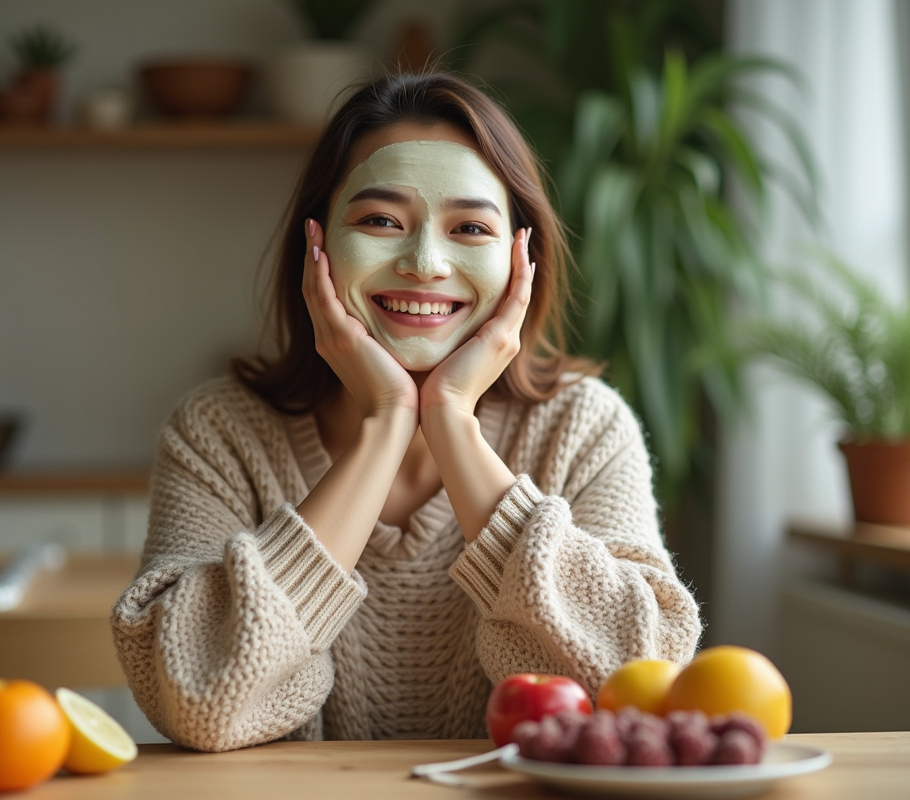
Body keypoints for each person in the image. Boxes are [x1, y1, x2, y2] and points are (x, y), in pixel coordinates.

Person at [111, 71, 701, 752]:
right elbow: (195, 700)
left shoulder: (584, 428)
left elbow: (637, 689)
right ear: (318, 245)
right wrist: (387, 423)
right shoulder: (217, 432)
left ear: (521, 258)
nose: (425, 263)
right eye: (381, 221)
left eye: (471, 228)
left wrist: (450, 418)